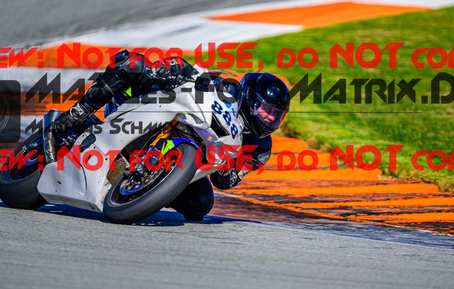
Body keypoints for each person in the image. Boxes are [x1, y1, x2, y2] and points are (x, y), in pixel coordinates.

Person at [53, 49, 290, 221]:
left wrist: (229, 166)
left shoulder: (260, 147)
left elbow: (224, 182)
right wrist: (173, 70)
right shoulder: (229, 89)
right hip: (158, 106)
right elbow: (197, 75)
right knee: (132, 63)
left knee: (200, 205)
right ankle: (77, 114)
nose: (269, 118)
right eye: (266, 110)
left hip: (190, 156)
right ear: (249, 99)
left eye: (276, 115)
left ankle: (147, 189)